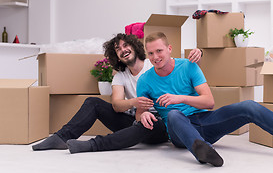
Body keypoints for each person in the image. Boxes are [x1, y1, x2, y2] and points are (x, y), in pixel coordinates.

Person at [136, 32, 273, 167]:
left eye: (159, 51)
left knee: (249, 106)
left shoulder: (188, 66)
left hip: (205, 122)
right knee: (175, 115)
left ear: (169, 49)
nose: (155, 57)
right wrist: (142, 115)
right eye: (150, 53)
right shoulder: (145, 80)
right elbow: (139, 113)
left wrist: (179, 98)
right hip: (180, 132)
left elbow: (209, 102)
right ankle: (203, 151)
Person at [32, 33, 202, 153]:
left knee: (146, 122)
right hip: (135, 118)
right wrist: (134, 102)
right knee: (93, 102)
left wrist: (198, 53)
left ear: (135, 47)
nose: (123, 50)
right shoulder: (120, 76)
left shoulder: (153, 63)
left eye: (125, 45)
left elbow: (178, 66)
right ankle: (61, 137)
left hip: (160, 123)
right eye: (118, 49)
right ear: (117, 56)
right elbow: (117, 105)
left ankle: (93, 145)